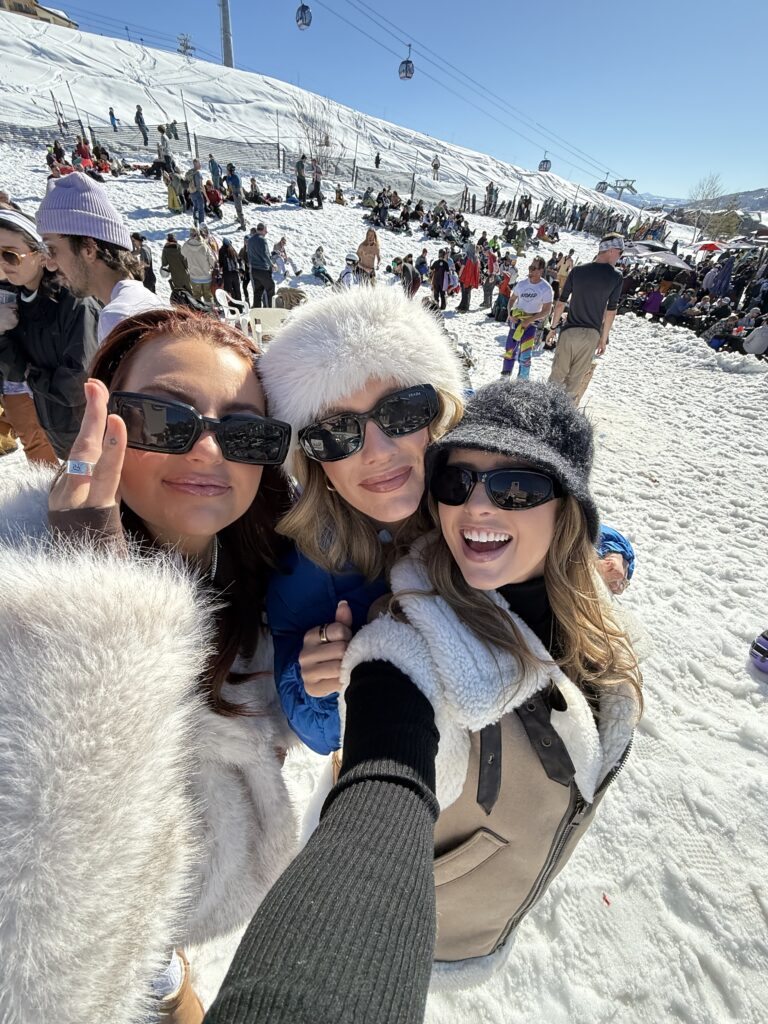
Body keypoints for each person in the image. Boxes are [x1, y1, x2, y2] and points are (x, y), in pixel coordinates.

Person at [0, 307, 298, 1023]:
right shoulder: (23, 604)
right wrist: (86, 612)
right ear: (102, 421)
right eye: (166, 419)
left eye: (245, 432)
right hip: (99, 961)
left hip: (172, 916)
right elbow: (32, 924)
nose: (209, 452)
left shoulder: (268, 564)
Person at [337, 378, 642, 989]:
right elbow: (375, 798)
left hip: (496, 909)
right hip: (419, 931)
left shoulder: (595, 620)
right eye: (457, 481)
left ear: (568, 511)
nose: (477, 506)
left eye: (518, 487)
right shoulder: (406, 648)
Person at [260, 286, 463, 755]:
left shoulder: (471, 485)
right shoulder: (307, 571)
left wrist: (600, 551)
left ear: (436, 416)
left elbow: (548, 512)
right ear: (314, 463)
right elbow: (323, 737)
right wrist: (316, 684)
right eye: (336, 432)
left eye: (400, 411)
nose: (379, 453)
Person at [0, 209, 99, 461]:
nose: (2, 264)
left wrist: (33, 379)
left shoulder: (76, 303)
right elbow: (14, 370)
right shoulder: (17, 302)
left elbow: (77, 384)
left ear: (42, 256)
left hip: (93, 437)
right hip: (61, 436)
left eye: (10, 255)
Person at [36, 174, 166, 344]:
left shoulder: (120, 317)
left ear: (88, 249)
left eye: (52, 250)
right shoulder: (136, 304)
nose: (50, 266)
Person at [548, 233, 624, 400]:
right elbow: (611, 311)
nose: (620, 256)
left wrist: (552, 328)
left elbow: (561, 302)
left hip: (569, 331)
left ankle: (544, 414)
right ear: (611, 250)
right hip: (591, 334)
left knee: (555, 378)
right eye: (620, 252)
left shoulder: (578, 271)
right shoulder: (616, 276)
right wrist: (603, 339)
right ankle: (562, 419)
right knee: (573, 383)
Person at [501, 256, 553, 379]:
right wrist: (510, 314)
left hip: (531, 324)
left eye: (534, 268)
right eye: (530, 267)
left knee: (525, 354)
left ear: (541, 270)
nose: (530, 270)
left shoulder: (545, 288)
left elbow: (547, 310)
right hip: (516, 320)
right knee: (510, 349)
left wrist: (529, 320)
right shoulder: (522, 284)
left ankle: (522, 381)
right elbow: (512, 299)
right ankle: (505, 377)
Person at [182, 227, 216, 305]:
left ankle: (199, 313)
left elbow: (183, 253)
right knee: (208, 296)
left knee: (196, 296)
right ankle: (210, 312)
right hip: (206, 276)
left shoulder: (186, 246)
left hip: (194, 276)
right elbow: (212, 260)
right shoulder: (204, 245)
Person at [247, 223, 275, 309]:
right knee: (271, 288)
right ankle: (271, 311)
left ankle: (257, 313)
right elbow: (265, 254)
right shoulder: (262, 240)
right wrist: (272, 265)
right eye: (266, 230)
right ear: (262, 230)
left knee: (258, 292)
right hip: (263, 269)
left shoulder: (250, 240)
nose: (266, 232)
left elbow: (248, 254)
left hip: (254, 270)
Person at [456, 242, 480, 312]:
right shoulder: (476, 258)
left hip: (465, 277)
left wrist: (459, 275)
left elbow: (462, 268)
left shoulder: (467, 257)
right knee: (468, 292)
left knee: (464, 292)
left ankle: (464, 308)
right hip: (471, 278)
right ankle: (464, 306)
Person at [223, 163, 246, 232]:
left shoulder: (233, 177)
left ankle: (243, 226)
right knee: (237, 207)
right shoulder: (236, 175)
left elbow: (229, 182)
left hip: (237, 194)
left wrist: (226, 178)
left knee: (239, 209)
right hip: (237, 192)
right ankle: (239, 219)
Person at [186, 158, 206, 227]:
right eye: (199, 163)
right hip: (198, 193)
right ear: (196, 164)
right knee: (201, 209)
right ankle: (201, 225)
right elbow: (201, 186)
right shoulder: (198, 173)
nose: (200, 164)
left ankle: (195, 221)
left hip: (192, 193)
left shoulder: (190, 172)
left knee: (195, 207)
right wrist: (206, 196)